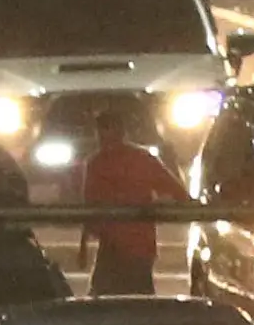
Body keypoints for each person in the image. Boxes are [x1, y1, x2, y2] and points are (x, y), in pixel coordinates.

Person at [76, 111, 188, 297]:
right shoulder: (138, 159)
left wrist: (84, 246)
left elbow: (89, 208)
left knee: (104, 298)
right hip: (130, 244)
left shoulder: (98, 163)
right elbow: (175, 190)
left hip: (121, 245)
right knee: (138, 298)